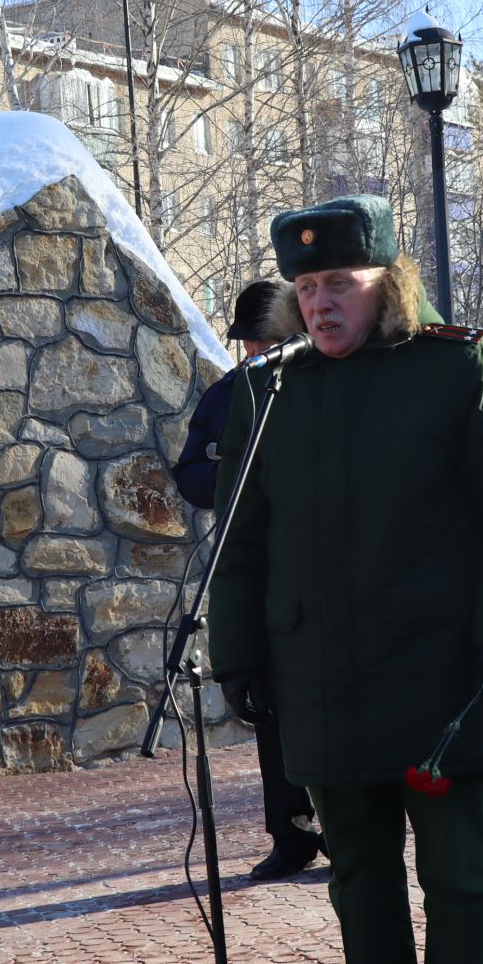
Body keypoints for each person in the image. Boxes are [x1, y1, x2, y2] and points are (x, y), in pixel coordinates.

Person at [209, 194, 483, 964]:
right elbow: (240, 541)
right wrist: (239, 656)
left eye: (340, 281)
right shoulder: (268, 391)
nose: (320, 301)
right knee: (360, 880)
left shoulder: (460, 369)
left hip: (442, 676)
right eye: (306, 286)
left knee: (456, 881)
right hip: (320, 677)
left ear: (390, 283)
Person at [172, 278, 325, 883]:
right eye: (249, 343)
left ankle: (347, 831)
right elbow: (190, 474)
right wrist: (236, 477)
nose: (253, 353)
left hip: (324, 576)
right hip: (259, 578)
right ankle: (290, 834)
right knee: (270, 708)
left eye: (267, 342)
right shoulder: (228, 396)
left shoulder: (326, 390)